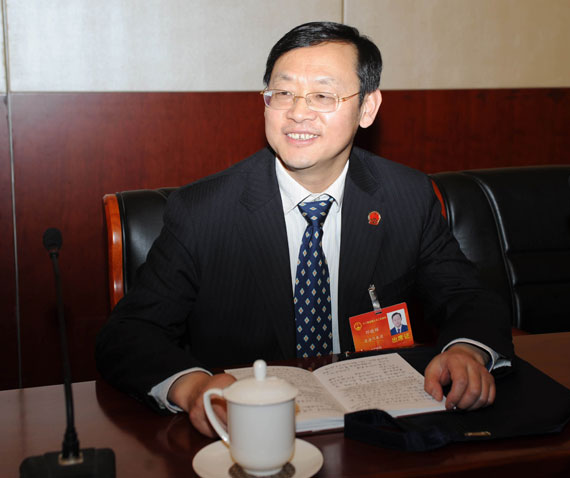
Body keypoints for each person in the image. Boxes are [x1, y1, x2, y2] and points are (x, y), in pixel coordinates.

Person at [96, 21, 514, 438]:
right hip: (248, 432)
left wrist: (466, 350)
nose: (298, 112)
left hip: (374, 431)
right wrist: (193, 389)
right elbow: (130, 332)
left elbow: (467, 297)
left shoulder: (407, 197)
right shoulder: (203, 211)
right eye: (283, 93)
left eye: (322, 95)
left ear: (367, 108)